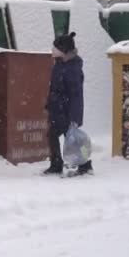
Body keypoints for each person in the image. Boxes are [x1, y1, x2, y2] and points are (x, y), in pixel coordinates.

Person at [44, 32, 93, 175]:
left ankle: (84, 165)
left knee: (72, 140)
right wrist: (49, 104)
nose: (52, 50)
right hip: (57, 109)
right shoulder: (59, 64)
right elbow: (53, 88)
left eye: (55, 48)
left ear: (64, 50)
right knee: (53, 136)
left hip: (67, 111)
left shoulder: (73, 69)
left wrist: (74, 118)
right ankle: (56, 164)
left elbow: (76, 95)